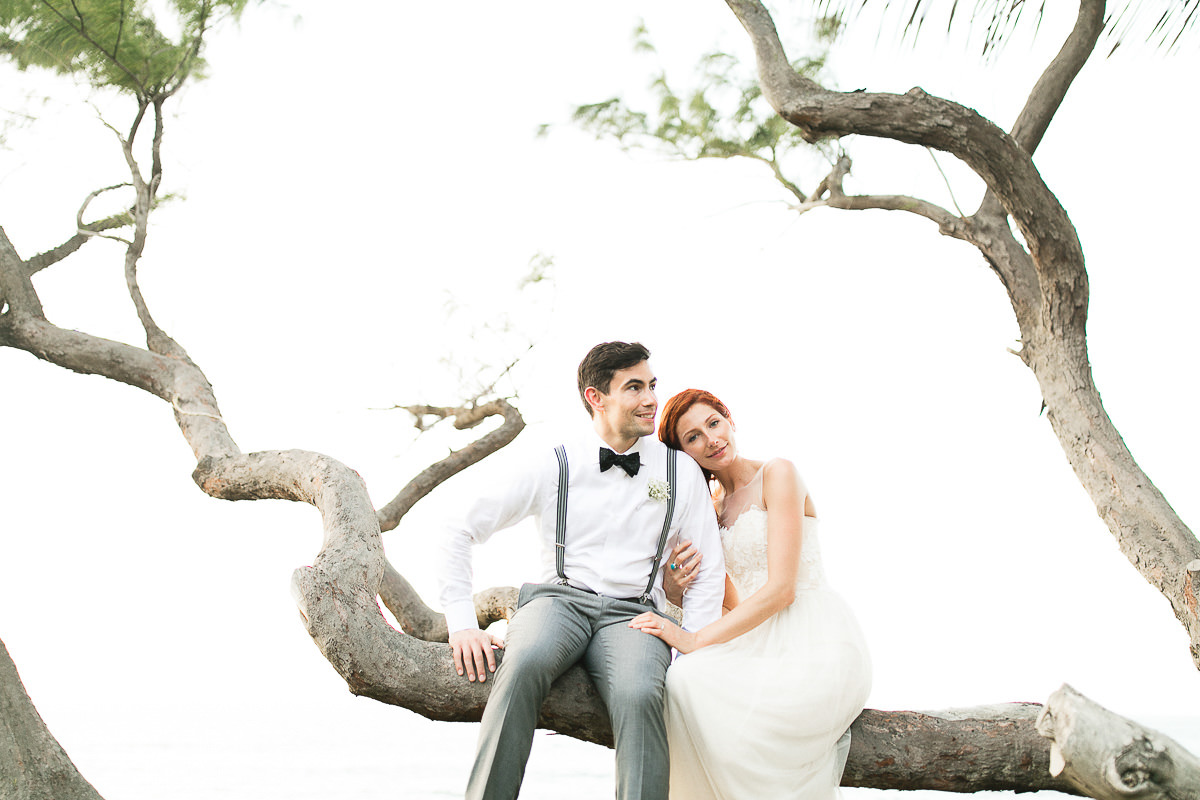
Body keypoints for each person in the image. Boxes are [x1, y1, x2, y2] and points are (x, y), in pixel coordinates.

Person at [437, 342, 726, 800]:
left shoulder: (679, 470)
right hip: (558, 601)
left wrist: (694, 649)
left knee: (640, 695)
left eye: (652, 385)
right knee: (524, 663)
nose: (651, 399)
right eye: (635, 388)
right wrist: (462, 625)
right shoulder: (555, 459)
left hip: (635, 616)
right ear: (596, 397)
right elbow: (459, 527)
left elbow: (708, 568)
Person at [630, 388, 872, 800]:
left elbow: (781, 591)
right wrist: (673, 586)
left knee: (693, 679)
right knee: (679, 681)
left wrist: (692, 640)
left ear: (729, 420)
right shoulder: (707, 509)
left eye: (713, 423)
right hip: (754, 636)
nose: (711, 439)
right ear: (684, 454)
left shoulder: (777, 474)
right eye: (693, 438)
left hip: (814, 637)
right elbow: (726, 601)